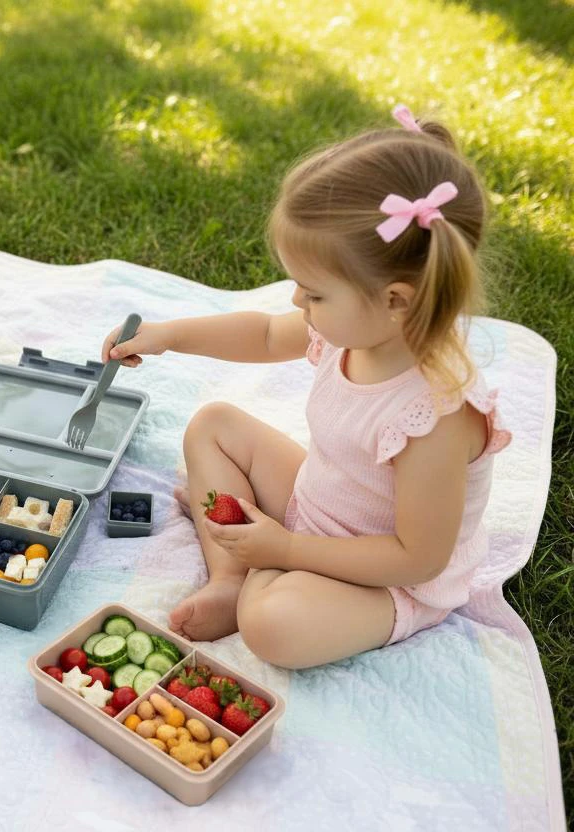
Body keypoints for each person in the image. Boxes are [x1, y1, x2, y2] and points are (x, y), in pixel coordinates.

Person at [101, 106, 510, 667]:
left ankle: (256, 576)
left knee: (273, 625)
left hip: (386, 578)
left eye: (314, 293)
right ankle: (231, 579)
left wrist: (287, 549)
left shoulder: (434, 413)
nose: (298, 302)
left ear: (395, 300)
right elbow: (267, 334)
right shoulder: (356, 330)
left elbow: (418, 558)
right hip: (318, 506)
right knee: (214, 425)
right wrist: (169, 336)